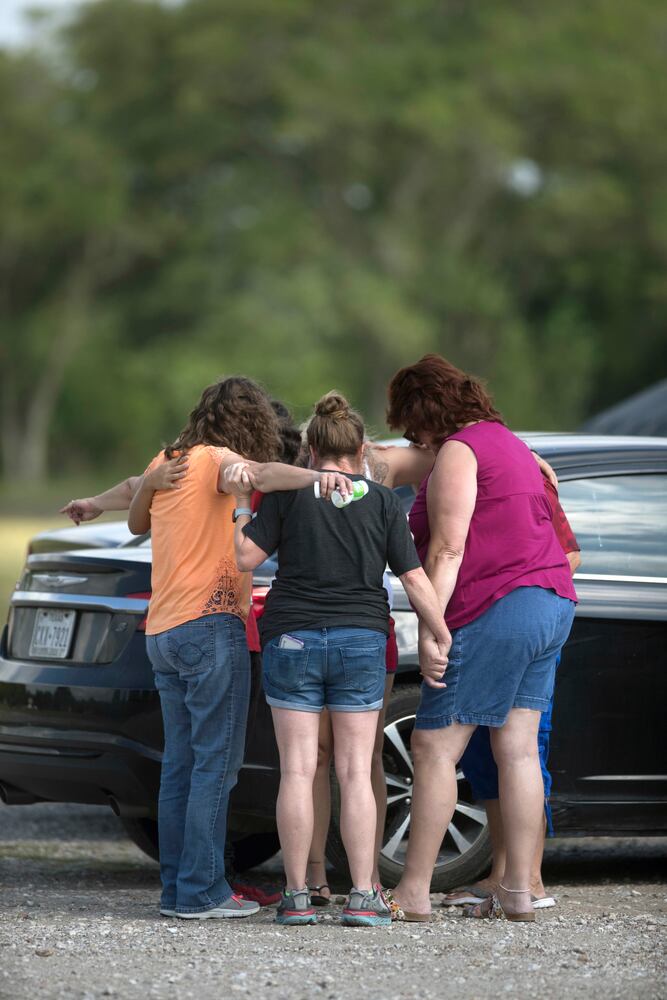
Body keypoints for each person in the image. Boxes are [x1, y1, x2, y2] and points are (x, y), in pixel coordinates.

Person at [126, 376, 353, 920]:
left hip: (162, 631)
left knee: (179, 765)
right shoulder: (220, 460)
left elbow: (136, 523)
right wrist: (320, 477)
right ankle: (203, 892)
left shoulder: (169, 459)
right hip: (209, 625)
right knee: (215, 767)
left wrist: (150, 481)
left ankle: (176, 892)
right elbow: (263, 473)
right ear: (246, 420)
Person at [224, 391, 450, 927]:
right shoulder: (380, 502)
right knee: (354, 772)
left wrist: (239, 507)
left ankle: (299, 895)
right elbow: (415, 580)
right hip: (361, 642)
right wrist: (440, 633)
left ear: (309, 450)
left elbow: (244, 557)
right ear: (361, 450)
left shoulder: (286, 495)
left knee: (299, 771)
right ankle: (365, 895)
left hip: (292, 640)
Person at [384, 354, 577, 923]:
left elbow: (447, 548)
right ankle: (518, 890)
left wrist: (432, 629)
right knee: (516, 746)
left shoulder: (460, 453)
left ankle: (413, 892)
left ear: (424, 413)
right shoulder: (510, 444)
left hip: (498, 604)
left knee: (434, 746)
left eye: (410, 423)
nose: (410, 436)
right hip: (551, 600)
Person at [442, 475, 581, 910]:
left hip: (521, 622)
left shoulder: (528, 475)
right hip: (482, 626)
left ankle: (530, 878)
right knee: (486, 754)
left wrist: (508, 596)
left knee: (524, 750)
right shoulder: (455, 472)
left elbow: (570, 555)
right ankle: (503, 872)